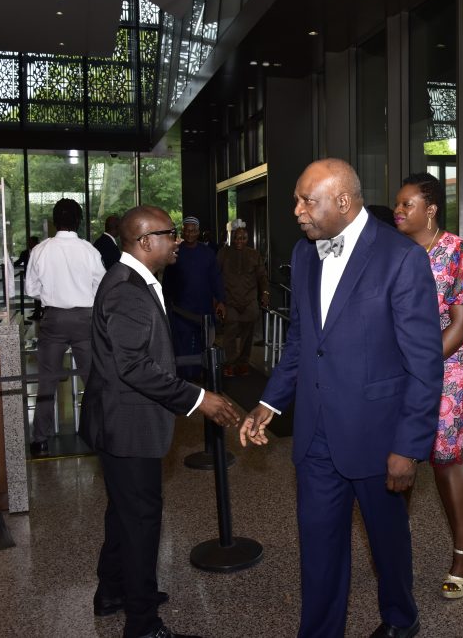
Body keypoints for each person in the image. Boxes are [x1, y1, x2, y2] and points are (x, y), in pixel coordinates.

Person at [240, 158, 443, 638]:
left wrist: (409, 447)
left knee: (387, 541)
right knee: (319, 547)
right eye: (298, 199)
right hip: (315, 437)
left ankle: (400, 618)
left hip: (377, 436)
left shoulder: (400, 258)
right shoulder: (305, 253)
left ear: (344, 202)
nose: (297, 211)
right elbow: (302, 344)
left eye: (307, 201)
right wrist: (269, 404)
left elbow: (424, 363)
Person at [79, 205, 240, 638]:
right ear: (146, 241)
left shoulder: (135, 281)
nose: (177, 240)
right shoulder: (127, 289)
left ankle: (113, 592)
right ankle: (143, 623)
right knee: (141, 522)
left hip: (120, 422)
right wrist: (198, 399)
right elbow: (133, 366)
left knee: (124, 515)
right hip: (127, 426)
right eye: (169, 233)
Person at [394, 173, 463, 601]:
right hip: (397, 368)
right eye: (397, 205)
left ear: (429, 210)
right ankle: (397, 548)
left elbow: (462, 323)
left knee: (445, 456)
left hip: (447, 366)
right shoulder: (392, 253)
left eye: (406, 204)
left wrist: (422, 366)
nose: (398, 211)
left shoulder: (460, 253)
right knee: (401, 452)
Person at [25, 199, 107, 457]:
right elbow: (101, 287)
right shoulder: (89, 250)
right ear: (79, 221)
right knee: (93, 379)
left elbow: (31, 290)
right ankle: (99, 433)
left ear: (54, 220)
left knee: (47, 380)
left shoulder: (40, 249)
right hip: (86, 319)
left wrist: (52, 293)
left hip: (53, 320)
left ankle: (40, 438)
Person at [161, 216, 225, 381]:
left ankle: (198, 377)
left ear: (198, 232)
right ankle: (183, 380)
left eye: (193, 230)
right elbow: (167, 281)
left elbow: (216, 279)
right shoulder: (175, 252)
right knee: (181, 346)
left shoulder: (208, 254)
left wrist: (220, 300)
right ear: (183, 231)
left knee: (202, 345)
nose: (189, 233)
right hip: (180, 310)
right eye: (186, 230)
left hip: (203, 310)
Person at [216, 225, 269, 377]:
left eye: (243, 238)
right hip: (230, 301)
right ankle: (230, 363)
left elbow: (262, 277)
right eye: (237, 238)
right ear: (232, 238)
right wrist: (217, 299)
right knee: (230, 335)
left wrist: (265, 293)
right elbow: (215, 275)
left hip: (249, 302)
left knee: (248, 335)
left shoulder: (253, 254)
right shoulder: (223, 253)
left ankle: (243, 363)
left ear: (247, 239)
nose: (239, 241)